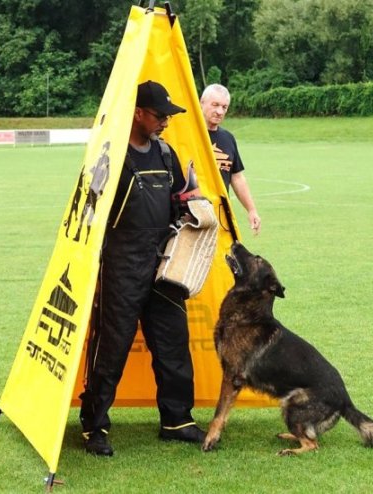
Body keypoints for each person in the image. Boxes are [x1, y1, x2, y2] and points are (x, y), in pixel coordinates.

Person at [79, 80, 205, 456]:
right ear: (138, 114)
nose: (166, 121)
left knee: (173, 343)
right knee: (111, 347)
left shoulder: (167, 155)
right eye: (160, 114)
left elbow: (184, 199)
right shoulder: (112, 158)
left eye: (168, 115)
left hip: (164, 265)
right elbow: (89, 212)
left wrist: (197, 210)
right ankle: (95, 426)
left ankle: (177, 420)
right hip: (122, 264)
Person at [200, 83, 261, 235]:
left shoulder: (228, 138)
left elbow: (237, 177)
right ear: (201, 102)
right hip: (193, 216)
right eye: (215, 105)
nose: (220, 111)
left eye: (224, 107)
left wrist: (251, 210)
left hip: (220, 214)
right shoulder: (188, 135)